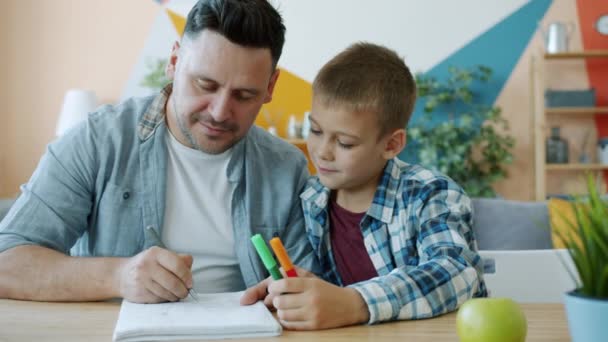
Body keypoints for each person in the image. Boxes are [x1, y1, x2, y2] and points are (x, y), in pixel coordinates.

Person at [0, 0, 319, 303]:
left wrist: (304, 293)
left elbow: (309, 282)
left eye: (244, 95)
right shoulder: (98, 140)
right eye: (205, 85)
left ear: (270, 87)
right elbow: (7, 262)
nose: (221, 111)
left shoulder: (286, 168)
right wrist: (118, 277)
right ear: (175, 62)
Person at [241, 42, 487, 330]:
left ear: (391, 144)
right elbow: (332, 301)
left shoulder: (430, 194)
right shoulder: (311, 199)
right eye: (316, 130)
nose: (322, 151)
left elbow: (456, 272)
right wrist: (301, 291)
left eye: (345, 143)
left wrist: (354, 302)